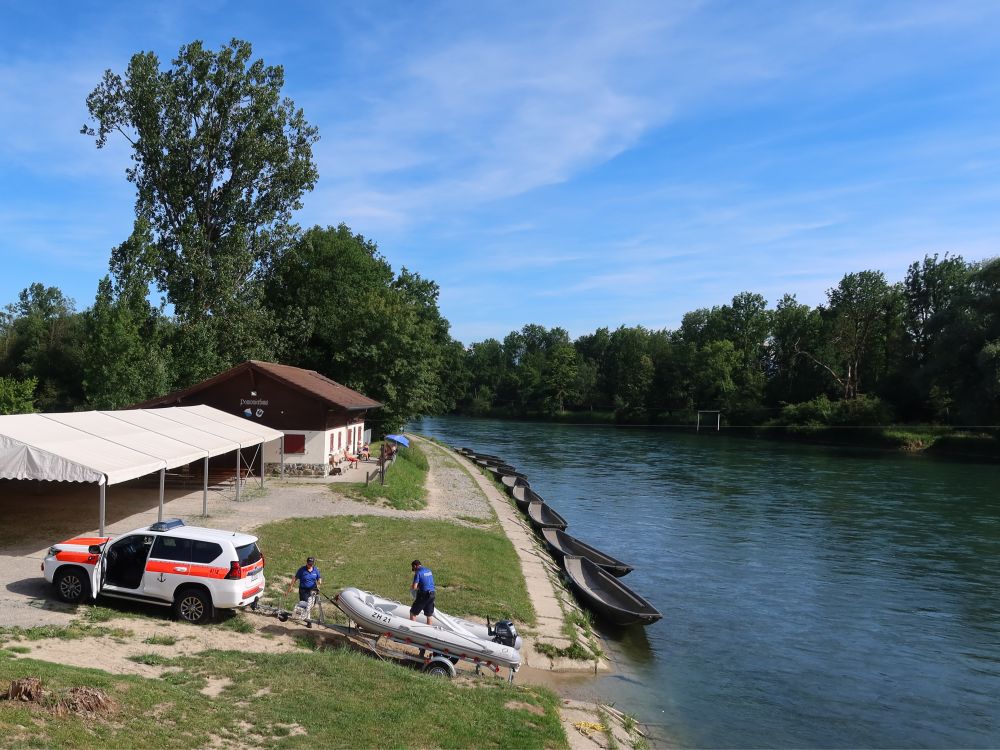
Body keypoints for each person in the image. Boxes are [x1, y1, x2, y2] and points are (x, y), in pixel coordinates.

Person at [409, 559, 435, 626]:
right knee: (429, 615)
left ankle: (413, 630)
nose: (414, 571)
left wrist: (411, 587)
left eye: (413, 569)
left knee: (413, 613)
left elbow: (414, 587)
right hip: (432, 593)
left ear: (415, 566)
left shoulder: (418, 573)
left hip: (424, 595)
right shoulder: (429, 571)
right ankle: (429, 630)